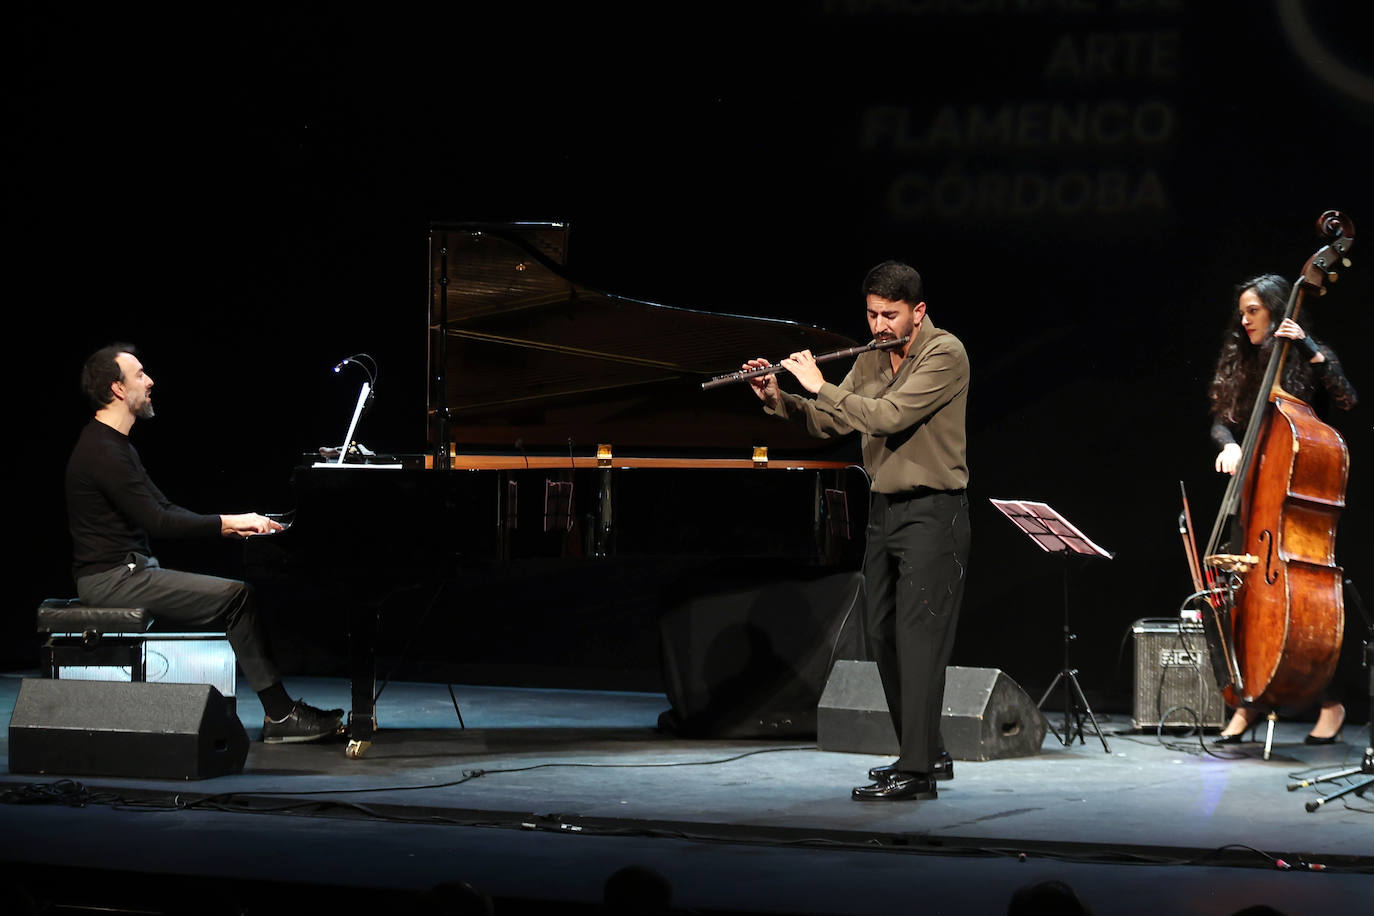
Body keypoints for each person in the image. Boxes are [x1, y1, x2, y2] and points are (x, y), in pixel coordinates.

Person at [743, 260, 970, 801]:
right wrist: (781, 399)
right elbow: (834, 419)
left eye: (889, 315)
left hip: (933, 514)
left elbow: (888, 417)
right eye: (871, 314)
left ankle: (915, 772)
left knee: (918, 642)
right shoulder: (872, 357)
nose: (878, 326)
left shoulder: (946, 354)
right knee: (883, 637)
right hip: (884, 513)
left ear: (918, 312)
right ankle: (927, 750)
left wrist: (819, 384)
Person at [65, 343, 343, 743]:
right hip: (112, 579)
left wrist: (234, 525)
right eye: (140, 374)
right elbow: (158, 521)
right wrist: (229, 522)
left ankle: (281, 715)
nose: (150, 380)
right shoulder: (102, 451)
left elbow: (162, 506)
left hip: (130, 571)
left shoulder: (115, 445)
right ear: (118, 389)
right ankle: (281, 717)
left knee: (236, 596)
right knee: (237, 597)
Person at [1206, 275, 1359, 744]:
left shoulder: (1307, 357)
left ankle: (1329, 703)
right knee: (1236, 602)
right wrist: (1230, 445)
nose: (1245, 319)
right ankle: (1246, 702)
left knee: (1294, 619)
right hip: (1251, 499)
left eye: (1253, 311)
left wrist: (1307, 344)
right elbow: (1220, 421)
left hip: (1287, 506)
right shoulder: (1242, 359)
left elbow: (1347, 399)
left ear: (1275, 310)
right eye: (1242, 311)